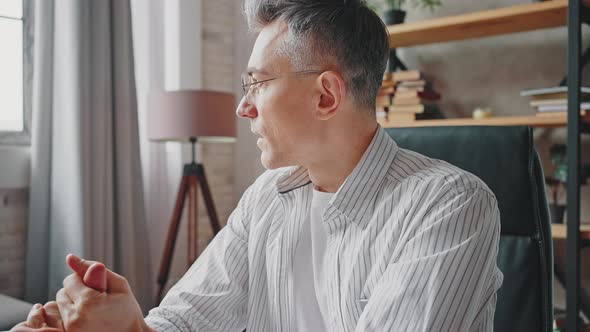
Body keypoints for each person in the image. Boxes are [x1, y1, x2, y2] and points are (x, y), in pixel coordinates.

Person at [13, 0, 503, 331]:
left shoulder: (449, 205)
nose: (242, 108)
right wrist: (129, 324)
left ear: (326, 95)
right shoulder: (268, 197)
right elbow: (187, 321)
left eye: (256, 84)